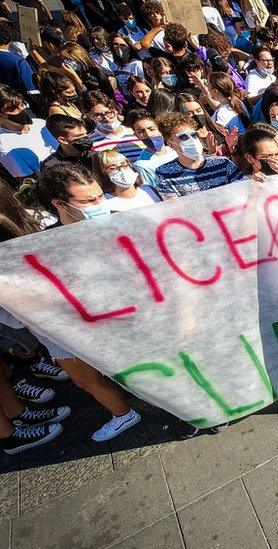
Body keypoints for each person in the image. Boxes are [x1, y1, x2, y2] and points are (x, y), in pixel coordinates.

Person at [15, 164, 143, 441]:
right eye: (88, 201)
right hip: (79, 321)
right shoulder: (44, 243)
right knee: (85, 377)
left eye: (99, 196)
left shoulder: (125, 221)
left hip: (130, 316)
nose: (99, 204)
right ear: (59, 204)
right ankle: (123, 414)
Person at [153, 112, 244, 199]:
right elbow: (175, 207)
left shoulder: (222, 163)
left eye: (194, 135)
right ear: (172, 144)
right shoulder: (164, 174)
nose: (192, 139)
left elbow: (244, 188)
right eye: (183, 137)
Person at [92, 150, 163, 211]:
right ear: (102, 173)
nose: (122, 170)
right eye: (112, 168)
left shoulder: (149, 190)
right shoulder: (105, 203)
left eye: (124, 165)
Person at [129, 109, 178, 189]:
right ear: (136, 135)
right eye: (141, 131)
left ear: (159, 129)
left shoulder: (176, 150)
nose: (148, 135)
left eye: (152, 129)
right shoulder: (141, 165)